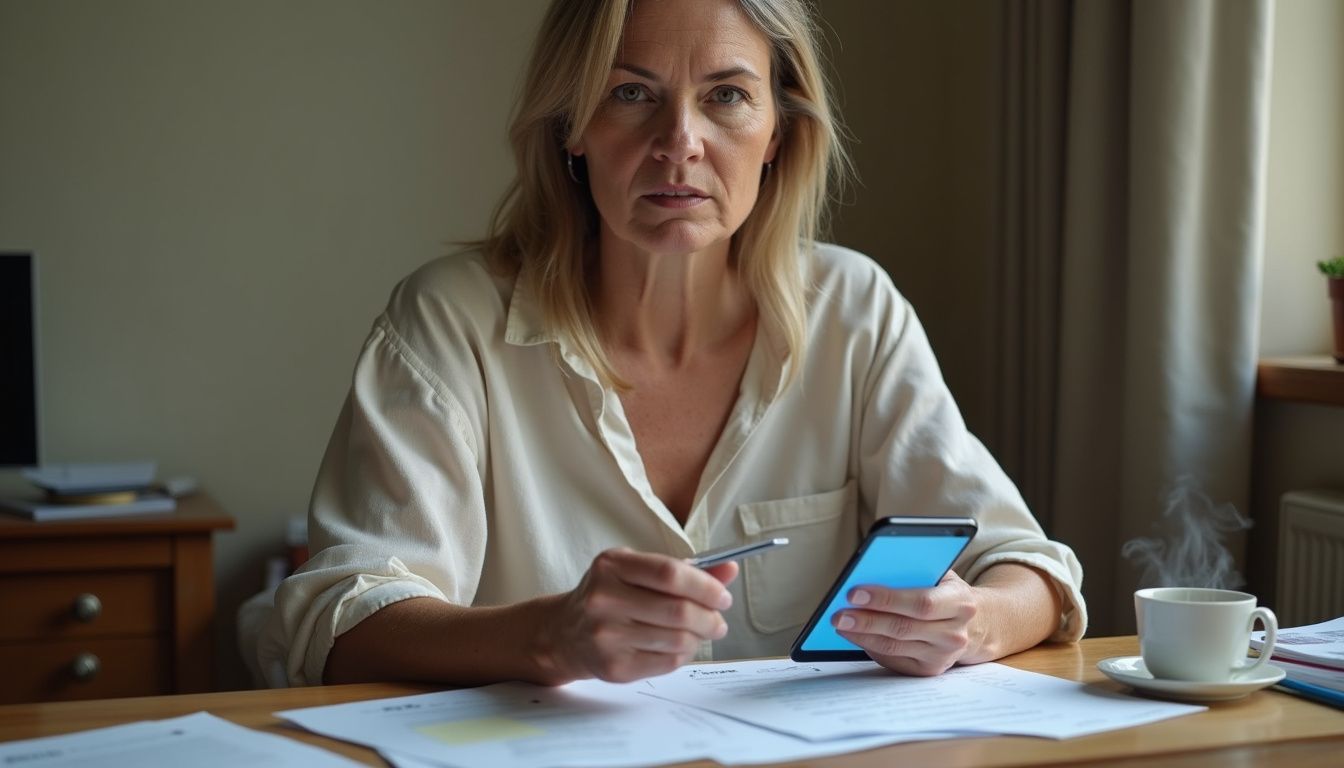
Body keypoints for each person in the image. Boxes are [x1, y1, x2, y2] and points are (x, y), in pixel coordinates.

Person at [259, 0, 1086, 689]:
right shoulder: (450, 322)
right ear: (570, 127)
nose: (679, 141)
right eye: (629, 93)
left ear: (778, 133)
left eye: (726, 96)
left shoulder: (853, 307)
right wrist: (552, 636)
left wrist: (972, 623)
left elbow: (1028, 569)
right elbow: (342, 620)